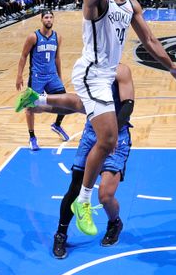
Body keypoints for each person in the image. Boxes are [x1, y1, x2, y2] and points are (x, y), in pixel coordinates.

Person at [16, 0, 176, 237]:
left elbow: (150, 40)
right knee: (108, 137)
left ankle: (38, 99)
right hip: (90, 70)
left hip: (104, 73)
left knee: (88, 113)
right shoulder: (94, 2)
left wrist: (171, 65)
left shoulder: (130, 5)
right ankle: (82, 200)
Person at [52, 63, 135, 259]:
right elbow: (78, 103)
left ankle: (115, 222)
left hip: (118, 135)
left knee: (105, 195)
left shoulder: (121, 70)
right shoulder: (89, 70)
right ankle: (61, 233)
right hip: (91, 133)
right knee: (75, 187)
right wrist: (41, 103)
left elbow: (128, 105)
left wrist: (112, 134)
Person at [15, 10, 69, 150]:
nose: (49, 20)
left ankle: (57, 125)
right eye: (46, 17)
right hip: (37, 77)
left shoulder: (58, 37)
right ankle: (32, 137)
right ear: (41, 19)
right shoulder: (33, 37)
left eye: (51, 17)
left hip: (52, 76)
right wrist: (19, 75)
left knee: (65, 102)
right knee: (30, 107)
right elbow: (23, 56)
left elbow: (57, 58)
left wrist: (60, 76)